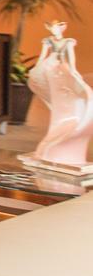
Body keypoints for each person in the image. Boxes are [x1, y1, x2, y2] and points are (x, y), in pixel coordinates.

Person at [27, 20, 93, 167]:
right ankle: (56, 134)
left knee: (67, 94)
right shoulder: (48, 41)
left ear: (61, 28)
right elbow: (42, 56)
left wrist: (73, 71)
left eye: (56, 28)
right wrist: (37, 68)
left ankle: (66, 130)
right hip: (50, 68)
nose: (54, 30)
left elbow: (71, 59)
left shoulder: (68, 42)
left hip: (61, 69)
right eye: (52, 28)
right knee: (56, 97)